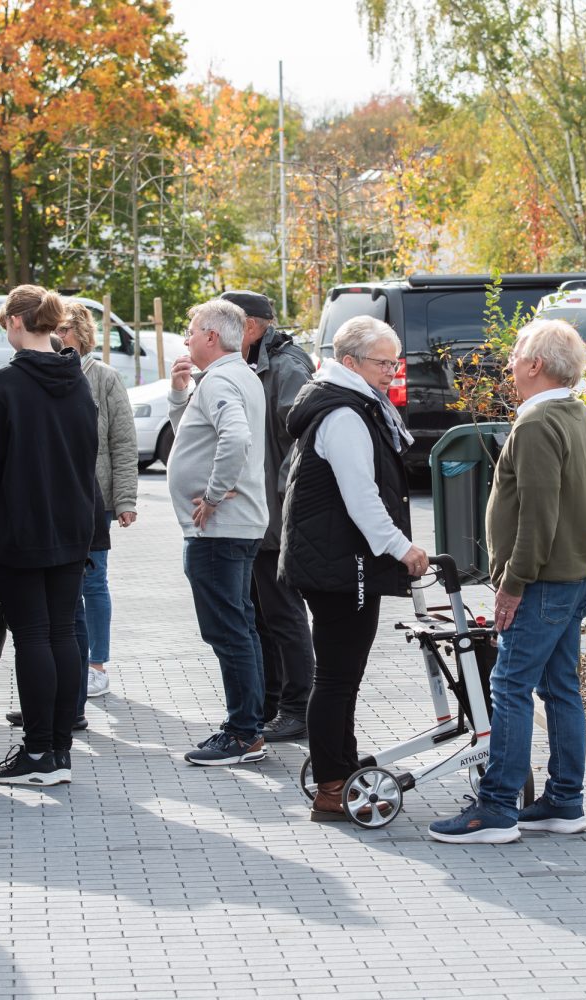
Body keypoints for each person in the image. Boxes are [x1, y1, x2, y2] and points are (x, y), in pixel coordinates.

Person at [429, 319, 586, 844]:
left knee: (509, 687)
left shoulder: (536, 425)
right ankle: (564, 803)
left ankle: (497, 809)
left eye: (516, 355)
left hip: (544, 583)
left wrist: (513, 583)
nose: (508, 364)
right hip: (571, 580)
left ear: (536, 365)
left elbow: (537, 516)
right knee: (560, 689)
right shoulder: (577, 415)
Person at [279, 316, 429, 822]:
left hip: (337, 559)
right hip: (342, 563)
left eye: (395, 361)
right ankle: (332, 785)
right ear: (349, 363)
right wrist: (401, 547)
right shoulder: (344, 413)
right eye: (383, 362)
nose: (392, 371)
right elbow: (361, 496)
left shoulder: (351, 404)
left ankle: (339, 768)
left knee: (342, 675)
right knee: (339, 677)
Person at [0, 285, 98, 786]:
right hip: (71, 527)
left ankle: (39, 752)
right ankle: (57, 748)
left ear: (17, 322)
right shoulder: (77, 381)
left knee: (36, 636)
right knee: (62, 633)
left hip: (19, 530)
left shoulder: (3, 388)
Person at [167, 298, 269, 767]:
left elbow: (236, 437)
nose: (185, 339)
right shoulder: (233, 376)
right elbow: (193, 436)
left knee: (228, 631)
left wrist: (212, 493)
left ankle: (242, 731)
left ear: (211, 336)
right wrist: (178, 392)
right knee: (240, 627)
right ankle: (249, 724)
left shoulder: (224, 379)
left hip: (218, 531)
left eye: (190, 331)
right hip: (233, 528)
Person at [220, 289, 315, 742]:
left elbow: (301, 440)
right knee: (260, 614)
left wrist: (278, 496)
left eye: (228, 322)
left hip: (275, 515)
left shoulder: (287, 365)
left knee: (282, 612)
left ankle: (298, 706)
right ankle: (273, 703)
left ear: (252, 326)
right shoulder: (252, 364)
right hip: (256, 515)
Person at [56, 300, 138, 704]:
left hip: (95, 496)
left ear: (82, 333)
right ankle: (68, 662)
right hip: (54, 495)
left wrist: (124, 498)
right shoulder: (42, 372)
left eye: (65, 330)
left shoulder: (103, 377)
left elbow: (123, 440)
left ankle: (96, 666)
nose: (58, 337)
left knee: (93, 580)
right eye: (53, 329)